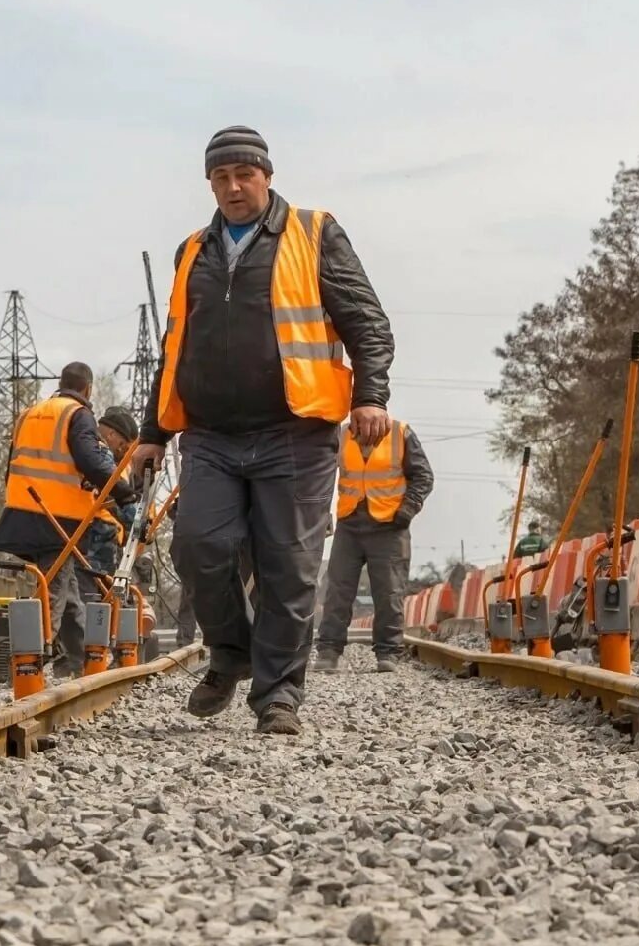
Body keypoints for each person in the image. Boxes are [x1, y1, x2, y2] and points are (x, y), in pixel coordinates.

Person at [130, 125, 394, 736]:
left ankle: (277, 696)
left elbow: (369, 322)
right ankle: (232, 652)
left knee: (289, 565)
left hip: (294, 432)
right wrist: (152, 430)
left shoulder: (313, 231)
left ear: (266, 176)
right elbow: (176, 347)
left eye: (243, 175)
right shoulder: (192, 250)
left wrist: (371, 395)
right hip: (213, 435)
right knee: (198, 545)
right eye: (220, 178)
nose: (232, 187)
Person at [0, 363, 121, 674]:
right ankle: (26, 665)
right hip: (57, 515)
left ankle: (83, 663)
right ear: (88, 389)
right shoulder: (77, 414)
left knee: (67, 590)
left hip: (22, 511)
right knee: (53, 591)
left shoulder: (30, 413)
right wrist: (122, 488)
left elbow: (12, 462)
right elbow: (89, 458)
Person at [316, 413, 434, 672]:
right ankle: (328, 651)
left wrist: (407, 510)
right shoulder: (342, 435)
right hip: (350, 524)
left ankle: (388, 653)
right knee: (337, 590)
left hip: (390, 527)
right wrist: (322, 513)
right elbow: (320, 476)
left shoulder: (401, 434)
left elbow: (423, 476)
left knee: (389, 592)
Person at [81, 408, 141, 580]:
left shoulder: (84, 446)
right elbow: (112, 494)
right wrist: (137, 521)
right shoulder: (101, 454)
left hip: (91, 533)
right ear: (111, 435)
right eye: (123, 445)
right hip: (97, 536)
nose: (123, 452)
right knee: (94, 593)